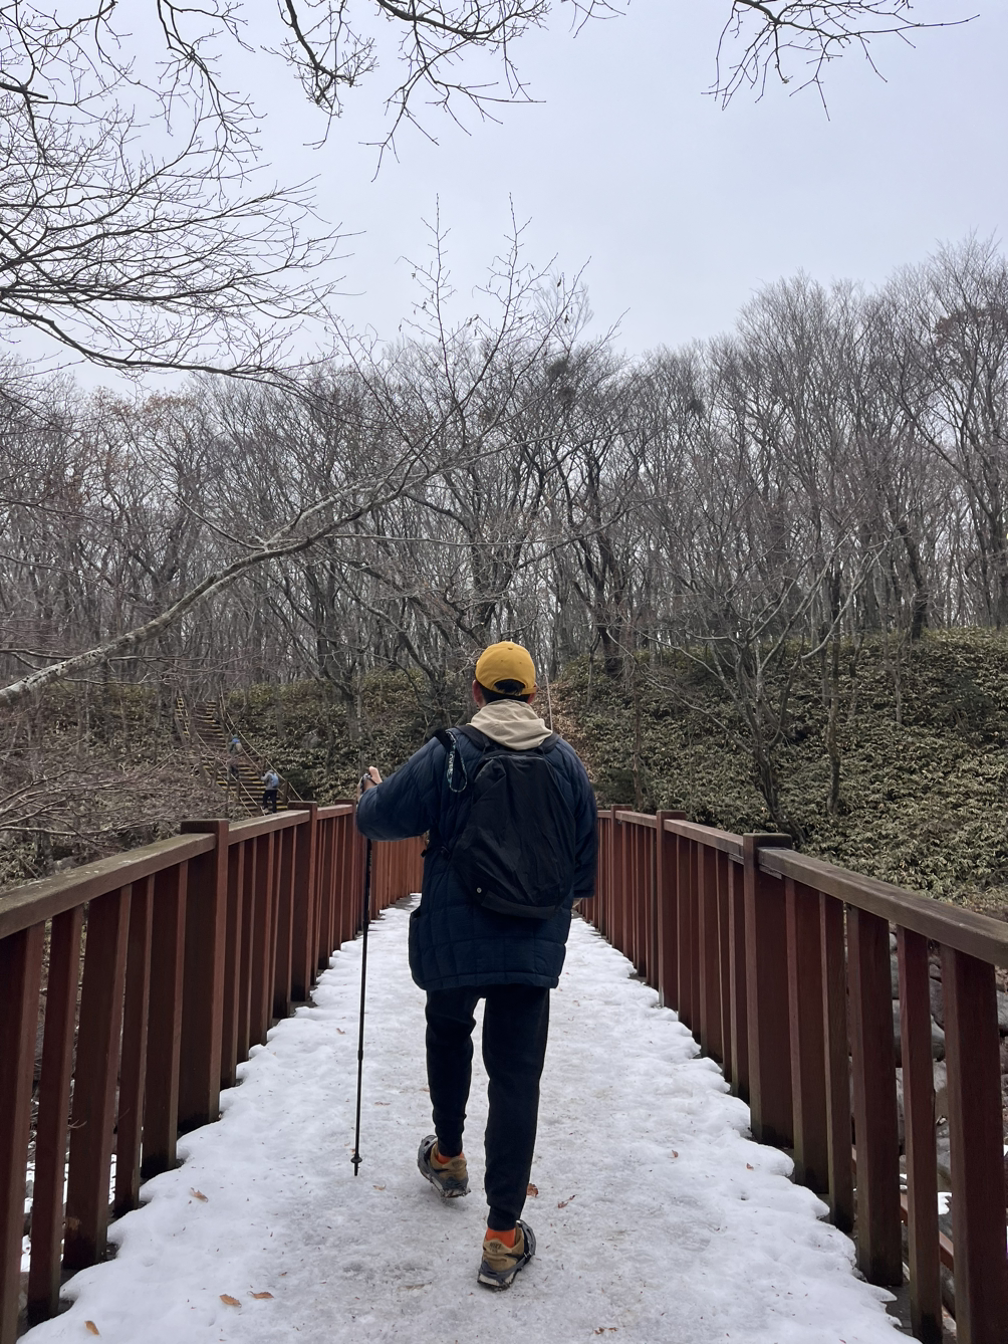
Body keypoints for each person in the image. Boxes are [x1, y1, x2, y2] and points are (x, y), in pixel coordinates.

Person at [356, 641, 597, 1290]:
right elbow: (582, 871)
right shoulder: (566, 764)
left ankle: (449, 1155)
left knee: (448, 1032)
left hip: (455, 935)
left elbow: (376, 821)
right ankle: (501, 1237)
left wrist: (370, 794)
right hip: (530, 943)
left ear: (476, 692)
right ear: (533, 694)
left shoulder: (448, 753)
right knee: (516, 1079)